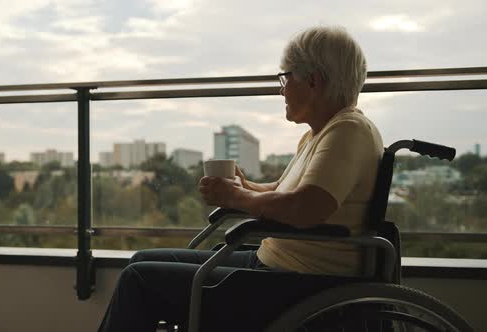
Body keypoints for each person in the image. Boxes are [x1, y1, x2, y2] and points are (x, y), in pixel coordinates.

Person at [97, 25, 383, 332]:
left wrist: (235, 198)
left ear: (313, 80)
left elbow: (305, 207)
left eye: (286, 78)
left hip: (302, 285)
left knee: (139, 280)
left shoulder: (347, 131)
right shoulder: (319, 134)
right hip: (275, 266)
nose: (282, 89)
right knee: (141, 260)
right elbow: (280, 193)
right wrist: (245, 187)